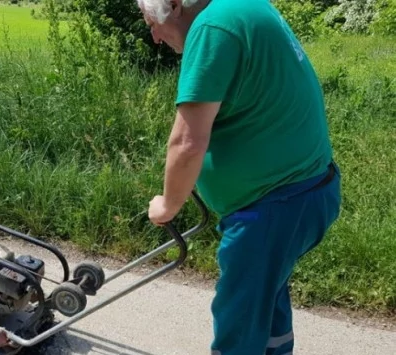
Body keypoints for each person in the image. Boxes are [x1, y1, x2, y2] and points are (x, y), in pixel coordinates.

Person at [140, 0, 342, 354]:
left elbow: (187, 143)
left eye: (151, 23)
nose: (155, 37)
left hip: (273, 206)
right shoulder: (243, 6)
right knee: (265, 302)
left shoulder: (212, 29)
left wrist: (167, 206)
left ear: (174, 5)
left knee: (239, 321)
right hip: (305, 191)